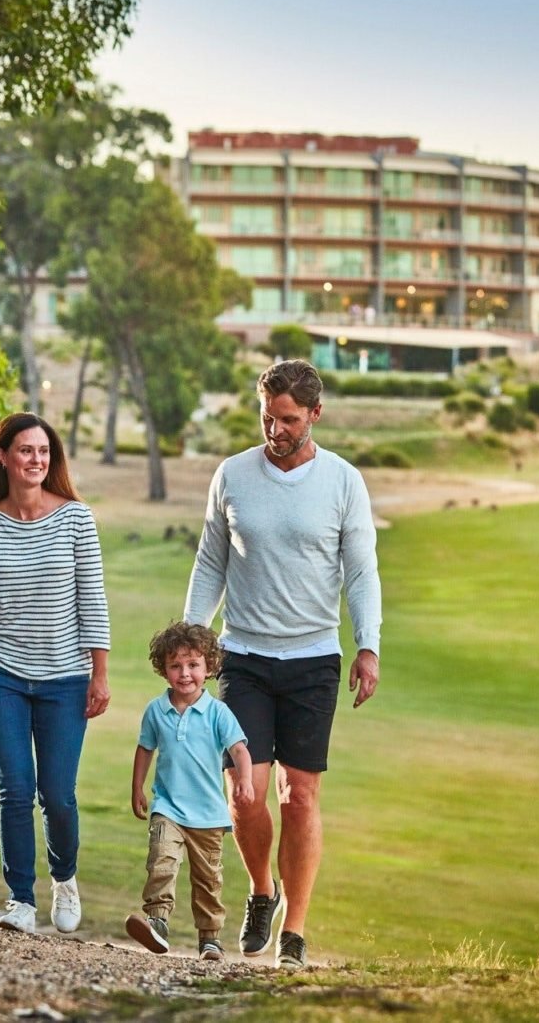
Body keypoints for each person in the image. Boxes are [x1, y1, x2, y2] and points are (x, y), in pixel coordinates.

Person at [183, 359, 382, 969]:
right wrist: (193, 640)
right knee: (245, 794)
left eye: (288, 420)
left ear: (315, 415)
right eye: (267, 417)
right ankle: (261, 891)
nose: (275, 430)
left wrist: (368, 645)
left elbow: (361, 571)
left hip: (313, 659)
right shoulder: (233, 475)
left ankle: (293, 930)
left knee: (300, 797)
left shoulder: (344, 482)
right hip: (241, 654)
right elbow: (210, 561)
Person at [0, 412, 111, 936]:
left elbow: (93, 600)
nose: (36, 460)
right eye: (25, 451)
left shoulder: (76, 519)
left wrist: (99, 674)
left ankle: (64, 878)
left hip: (65, 678)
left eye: (43, 451)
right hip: (3, 677)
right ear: (4, 457)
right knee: (15, 787)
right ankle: (20, 899)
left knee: (57, 793)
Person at [126, 622, 254, 961]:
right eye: (176, 666)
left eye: (193, 665)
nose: (185, 674)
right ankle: (157, 922)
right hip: (167, 806)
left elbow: (240, 749)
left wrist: (244, 780)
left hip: (209, 815)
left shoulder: (217, 713)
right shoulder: (156, 710)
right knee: (161, 861)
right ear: (164, 669)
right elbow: (145, 749)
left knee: (208, 880)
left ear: (209, 667)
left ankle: (210, 938)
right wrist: (138, 787)